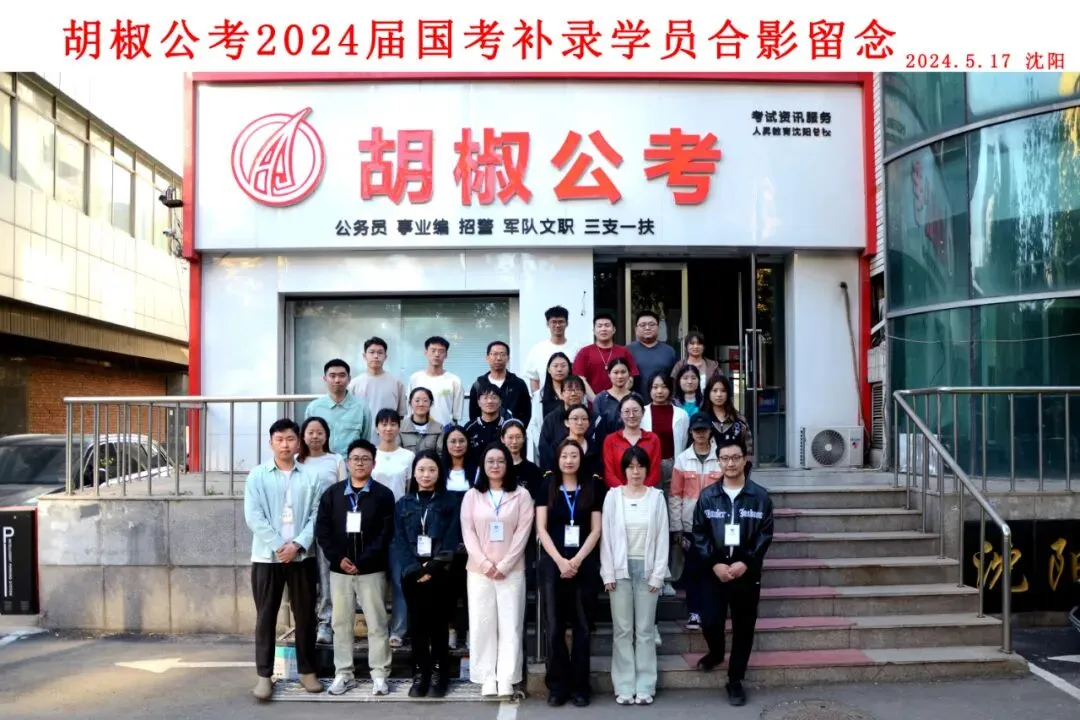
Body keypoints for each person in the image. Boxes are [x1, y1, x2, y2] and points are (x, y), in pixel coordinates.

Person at [243, 418, 324, 701]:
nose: (285, 445)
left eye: (290, 439)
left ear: (298, 442)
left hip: (302, 557)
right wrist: (280, 545)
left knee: (305, 616)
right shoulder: (257, 476)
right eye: (279, 440)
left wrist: (298, 544)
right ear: (271, 443)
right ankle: (264, 676)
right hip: (267, 557)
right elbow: (253, 516)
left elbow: (317, 515)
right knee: (266, 617)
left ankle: (307, 671)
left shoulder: (311, 476)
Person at [692, 437, 774, 707]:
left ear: (744, 460)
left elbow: (765, 534)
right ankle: (716, 652)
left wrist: (746, 562)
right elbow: (699, 533)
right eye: (725, 458)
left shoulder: (760, 497)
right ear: (719, 462)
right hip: (714, 572)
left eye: (735, 457)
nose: (730, 463)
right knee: (710, 621)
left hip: (745, 573)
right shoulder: (708, 496)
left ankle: (735, 679)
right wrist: (714, 563)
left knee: (743, 627)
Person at [315, 438, 397, 697]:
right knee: (341, 623)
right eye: (355, 458)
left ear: (374, 463)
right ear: (347, 463)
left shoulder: (383, 495)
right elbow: (323, 530)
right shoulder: (333, 494)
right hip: (340, 570)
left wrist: (363, 560)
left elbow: (386, 532)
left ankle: (380, 674)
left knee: (376, 623)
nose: (360, 463)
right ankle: (343, 673)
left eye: (365, 459)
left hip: (371, 570)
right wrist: (338, 557)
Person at [460, 443, 536, 697]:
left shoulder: (522, 495)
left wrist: (504, 564)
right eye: (490, 461)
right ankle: (486, 677)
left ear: (508, 464)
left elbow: (523, 533)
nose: (495, 466)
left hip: (511, 570)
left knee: (510, 624)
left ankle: (506, 677)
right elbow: (468, 532)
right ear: (483, 465)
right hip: (478, 571)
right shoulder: (472, 496)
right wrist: (484, 563)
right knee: (482, 624)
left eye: (500, 461)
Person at [536, 439, 605, 707]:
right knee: (554, 628)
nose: (569, 460)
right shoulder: (548, 485)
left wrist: (575, 560)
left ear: (581, 459)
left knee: (582, 628)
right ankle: (557, 685)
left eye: (574, 455)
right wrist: (560, 561)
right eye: (564, 455)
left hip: (584, 563)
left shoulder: (592, 486)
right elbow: (541, 529)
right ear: (558, 458)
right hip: (553, 564)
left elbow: (596, 529)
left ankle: (580, 686)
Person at [600, 446, 670, 706]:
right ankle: (624, 686)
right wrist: (608, 572)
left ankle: (645, 685)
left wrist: (658, 575)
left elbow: (663, 537)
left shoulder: (656, 498)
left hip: (647, 570)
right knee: (622, 630)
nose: (636, 471)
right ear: (624, 470)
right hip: (620, 571)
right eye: (630, 467)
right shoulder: (612, 497)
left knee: (645, 631)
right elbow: (606, 537)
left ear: (647, 469)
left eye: (640, 466)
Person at [391, 451, 462, 698]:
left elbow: (451, 538)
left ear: (439, 473)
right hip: (412, 574)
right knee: (418, 626)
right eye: (421, 470)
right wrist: (415, 569)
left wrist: (431, 568)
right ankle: (420, 673)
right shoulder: (403, 504)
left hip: (440, 573)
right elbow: (399, 540)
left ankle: (440, 674)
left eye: (432, 469)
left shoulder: (449, 502)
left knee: (439, 625)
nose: (426, 475)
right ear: (414, 473)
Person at [670, 412, 723, 630]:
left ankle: (712, 611)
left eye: (704, 430)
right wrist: (677, 527)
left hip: (716, 525)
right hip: (690, 526)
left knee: (715, 569)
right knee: (693, 570)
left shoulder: (721, 457)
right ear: (690, 433)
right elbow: (675, 495)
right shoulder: (683, 459)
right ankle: (694, 613)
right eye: (696, 430)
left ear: (711, 431)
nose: (700, 434)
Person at [296, 416, 345, 646]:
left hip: (328, 526)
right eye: (310, 432)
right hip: (300, 527)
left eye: (319, 432)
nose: (315, 436)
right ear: (303, 436)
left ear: (326, 436)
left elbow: (343, 493)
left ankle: (326, 622)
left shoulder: (336, 460)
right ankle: (306, 621)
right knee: (304, 576)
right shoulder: (296, 461)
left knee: (326, 575)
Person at [370, 408, 415, 647]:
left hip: (399, 523)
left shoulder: (408, 456)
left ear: (399, 427)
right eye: (383, 424)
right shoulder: (370, 455)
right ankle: (376, 629)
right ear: (377, 427)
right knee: (373, 582)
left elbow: (409, 490)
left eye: (393, 424)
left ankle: (398, 630)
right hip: (373, 524)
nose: (388, 428)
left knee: (399, 580)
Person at [441, 425, 477, 651]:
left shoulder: (477, 471)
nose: (457, 445)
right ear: (446, 445)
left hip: (472, 536)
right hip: (446, 537)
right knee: (448, 589)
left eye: (461, 441)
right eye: (453, 441)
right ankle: (451, 630)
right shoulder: (440, 470)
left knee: (470, 588)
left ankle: (472, 632)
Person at [305, 359, 373, 457]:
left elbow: (365, 441)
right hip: (323, 462)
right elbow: (308, 440)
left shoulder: (362, 408)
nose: (337, 380)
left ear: (349, 379)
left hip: (351, 464)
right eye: (332, 376)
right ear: (325, 379)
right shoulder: (313, 408)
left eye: (342, 375)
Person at [348, 337, 409, 437]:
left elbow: (400, 415)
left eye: (380, 353)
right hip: (362, 437)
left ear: (385, 356)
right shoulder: (354, 384)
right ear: (364, 356)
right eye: (372, 352)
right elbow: (350, 415)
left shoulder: (397, 383)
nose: (376, 356)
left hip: (389, 438)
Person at [602, 393, 662, 488]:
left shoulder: (653, 439)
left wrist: (641, 491)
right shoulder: (610, 440)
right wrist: (625, 492)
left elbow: (655, 473)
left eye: (635, 411)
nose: (631, 415)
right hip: (618, 493)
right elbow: (609, 474)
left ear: (643, 412)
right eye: (626, 411)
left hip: (647, 493)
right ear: (620, 414)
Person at [468, 340, 532, 427]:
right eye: (494, 354)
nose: (498, 358)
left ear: (508, 358)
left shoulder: (518, 384)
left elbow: (526, 413)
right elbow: (473, 414)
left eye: (502, 354)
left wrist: (517, 430)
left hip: (511, 432)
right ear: (487, 358)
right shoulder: (479, 384)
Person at [573, 313, 638, 394]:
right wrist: (595, 399)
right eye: (599, 326)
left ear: (614, 330)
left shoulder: (624, 352)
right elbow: (580, 378)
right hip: (592, 399)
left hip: (620, 399)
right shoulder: (584, 352)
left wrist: (618, 396)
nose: (603, 329)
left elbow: (631, 377)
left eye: (607, 325)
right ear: (594, 331)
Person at [703, 375, 755, 473]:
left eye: (723, 391)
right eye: (715, 390)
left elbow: (748, 448)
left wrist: (745, 470)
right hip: (708, 473)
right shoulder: (702, 419)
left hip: (735, 472)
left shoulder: (739, 420)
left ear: (728, 393)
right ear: (708, 393)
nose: (719, 394)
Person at [524, 305, 581, 394]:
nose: (557, 325)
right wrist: (538, 398)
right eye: (553, 322)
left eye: (561, 322)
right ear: (547, 324)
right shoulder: (538, 349)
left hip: (571, 398)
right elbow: (534, 378)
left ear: (567, 323)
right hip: (546, 398)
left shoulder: (577, 349)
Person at [408, 336, 464, 426]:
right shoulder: (415, 378)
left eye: (441, 351)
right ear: (426, 352)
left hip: (445, 430)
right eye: (433, 350)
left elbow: (456, 416)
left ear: (446, 355)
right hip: (418, 429)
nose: (437, 354)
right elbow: (410, 409)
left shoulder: (454, 381)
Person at [627, 311, 677, 396]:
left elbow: (674, 380)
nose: (647, 328)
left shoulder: (669, 351)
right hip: (634, 401)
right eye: (643, 325)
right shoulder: (627, 350)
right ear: (636, 329)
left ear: (658, 327)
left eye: (651, 324)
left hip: (662, 399)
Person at [592, 358, 635, 443]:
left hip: (632, 444)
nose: (620, 376)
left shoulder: (635, 397)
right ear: (609, 374)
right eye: (616, 372)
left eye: (623, 372)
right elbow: (597, 428)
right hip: (606, 445)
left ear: (629, 374)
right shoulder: (601, 399)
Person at [465, 383, 509, 465]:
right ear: (479, 402)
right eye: (485, 398)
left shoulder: (508, 427)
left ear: (500, 402)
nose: (489, 401)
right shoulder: (469, 428)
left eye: (494, 397)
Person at [400, 387, 444, 455]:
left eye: (425, 401)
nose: (421, 404)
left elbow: (440, 454)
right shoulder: (400, 427)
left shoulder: (438, 428)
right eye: (417, 401)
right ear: (410, 403)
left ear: (431, 404)